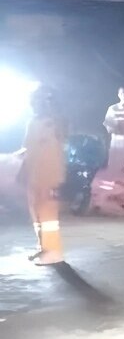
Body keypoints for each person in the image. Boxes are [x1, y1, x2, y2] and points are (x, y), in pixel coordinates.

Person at [19, 85, 67, 265]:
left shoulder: (54, 122)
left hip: (49, 176)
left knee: (48, 216)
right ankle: (43, 247)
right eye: (33, 101)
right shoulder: (33, 122)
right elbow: (28, 148)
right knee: (36, 213)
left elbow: (58, 141)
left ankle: (54, 253)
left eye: (39, 100)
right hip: (34, 175)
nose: (34, 104)